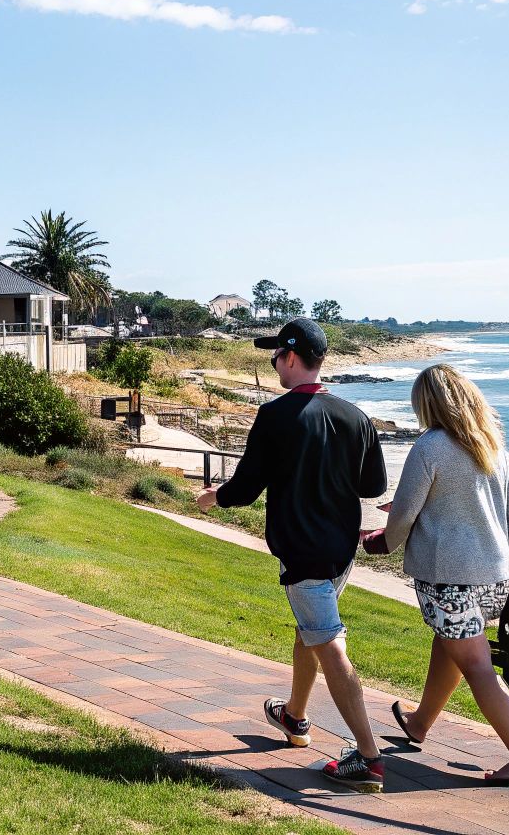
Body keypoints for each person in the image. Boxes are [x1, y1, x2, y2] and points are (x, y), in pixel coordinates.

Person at [195, 318, 390, 792]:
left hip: (301, 552)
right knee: (311, 632)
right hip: (343, 549)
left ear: (291, 356)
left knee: (328, 641)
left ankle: (368, 758)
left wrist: (212, 498)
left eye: (275, 356)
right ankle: (295, 717)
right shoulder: (355, 417)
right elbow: (374, 486)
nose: (273, 364)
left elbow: (244, 490)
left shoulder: (275, 416)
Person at [377, 363, 509, 788]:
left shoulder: (429, 447)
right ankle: (419, 722)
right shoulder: (494, 449)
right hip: (494, 578)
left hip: (449, 578)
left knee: (475, 663)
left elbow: (403, 515)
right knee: (450, 641)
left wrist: (381, 541)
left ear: (428, 404)